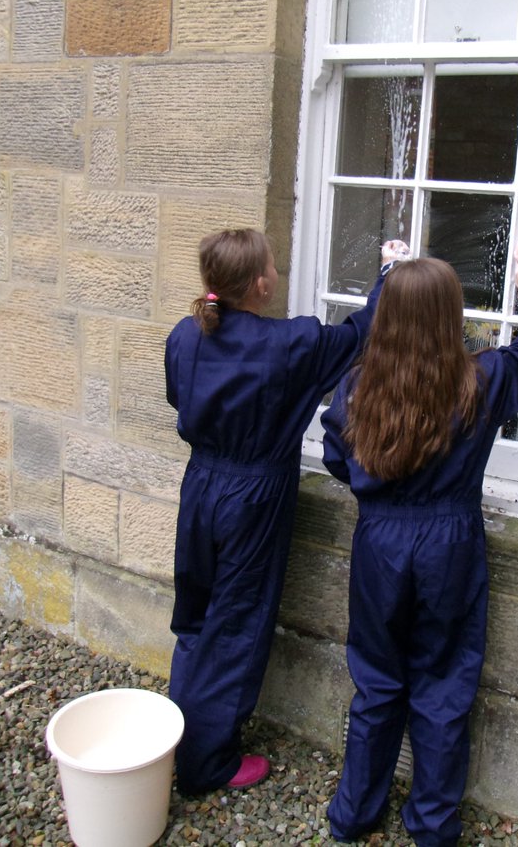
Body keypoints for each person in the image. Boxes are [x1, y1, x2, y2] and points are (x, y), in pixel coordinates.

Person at [320, 246, 518, 847]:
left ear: (388, 318)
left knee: (376, 680)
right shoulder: (479, 381)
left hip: (380, 542)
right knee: (443, 684)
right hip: (448, 543)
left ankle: (353, 815)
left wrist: (384, 497)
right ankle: (430, 825)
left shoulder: (355, 388)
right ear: (452, 316)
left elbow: (337, 460)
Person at [164, 228, 410, 795]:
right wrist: (389, 275)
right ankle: (208, 764)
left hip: (200, 485)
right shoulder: (291, 343)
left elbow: (180, 398)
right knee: (238, 624)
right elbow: (360, 333)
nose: (277, 271)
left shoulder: (185, 334)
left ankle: (177, 740)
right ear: (260, 284)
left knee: (196, 615)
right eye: (273, 265)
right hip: (253, 495)